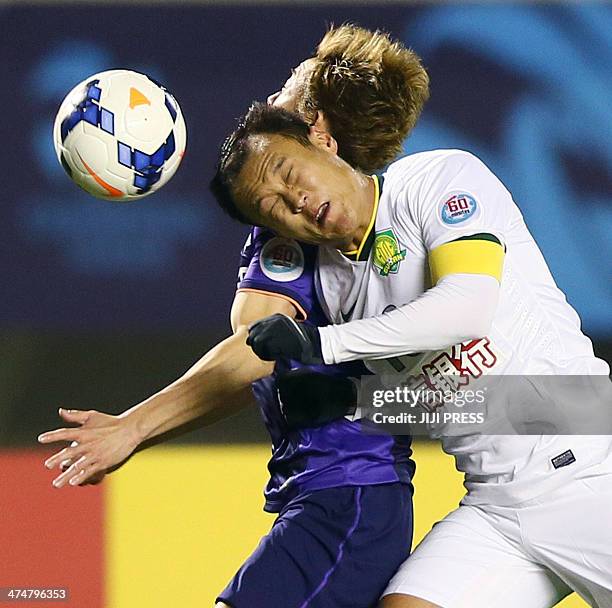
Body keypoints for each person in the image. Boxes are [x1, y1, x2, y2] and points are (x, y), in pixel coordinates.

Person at [39, 25, 428, 607]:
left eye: (291, 88)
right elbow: (256, 361)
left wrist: (133, 427)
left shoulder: (366, 219)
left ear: (319, 129)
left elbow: (252, 351)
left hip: (351, 496)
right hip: (328, 494)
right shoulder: (294, 225)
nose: (274, 97)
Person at [209, 100, 612, 608]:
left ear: (323, 142)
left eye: (290, 173)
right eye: (274, 209)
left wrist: (322, 344)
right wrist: (354, 401)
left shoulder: (435, 177)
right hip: (497, 509)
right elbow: (444, 397)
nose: (296, 199)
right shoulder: (336, 288)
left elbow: (466, 307)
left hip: (591, 467)